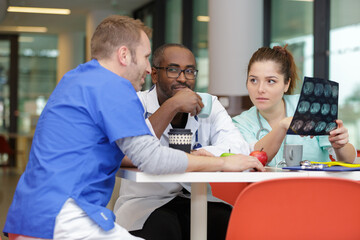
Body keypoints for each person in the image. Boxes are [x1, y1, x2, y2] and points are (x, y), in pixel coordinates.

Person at [3, 16, 265, 240]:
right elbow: (152, 158)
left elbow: (119, 152)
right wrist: (221, 163)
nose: (148, 68)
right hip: (63, 218)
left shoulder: (78, 78)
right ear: (124, 55)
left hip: (31, 214)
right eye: (146, 56)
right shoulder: (115, 88)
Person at [114, 43, 254, 240]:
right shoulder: (137, 103)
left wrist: (201, 156)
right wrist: (172, 105)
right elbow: (130, 150)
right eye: (173, 70)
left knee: (230, 224)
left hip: (197, 198)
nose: (182, 78)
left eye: (189, 71)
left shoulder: (209, 105)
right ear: (154, 75)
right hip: (146, 201)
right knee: (165, 229)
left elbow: (238, 146)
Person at [232, 45, 357, 167]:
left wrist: (341, 145)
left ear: (286, 84)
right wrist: (282, 126)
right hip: (268, 188)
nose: (260, 89)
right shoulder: (241, 123)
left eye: (271, 81)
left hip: (314, 186)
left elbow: (348, 161)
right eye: (253, 80)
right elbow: (253, 161)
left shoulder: (309, 107)